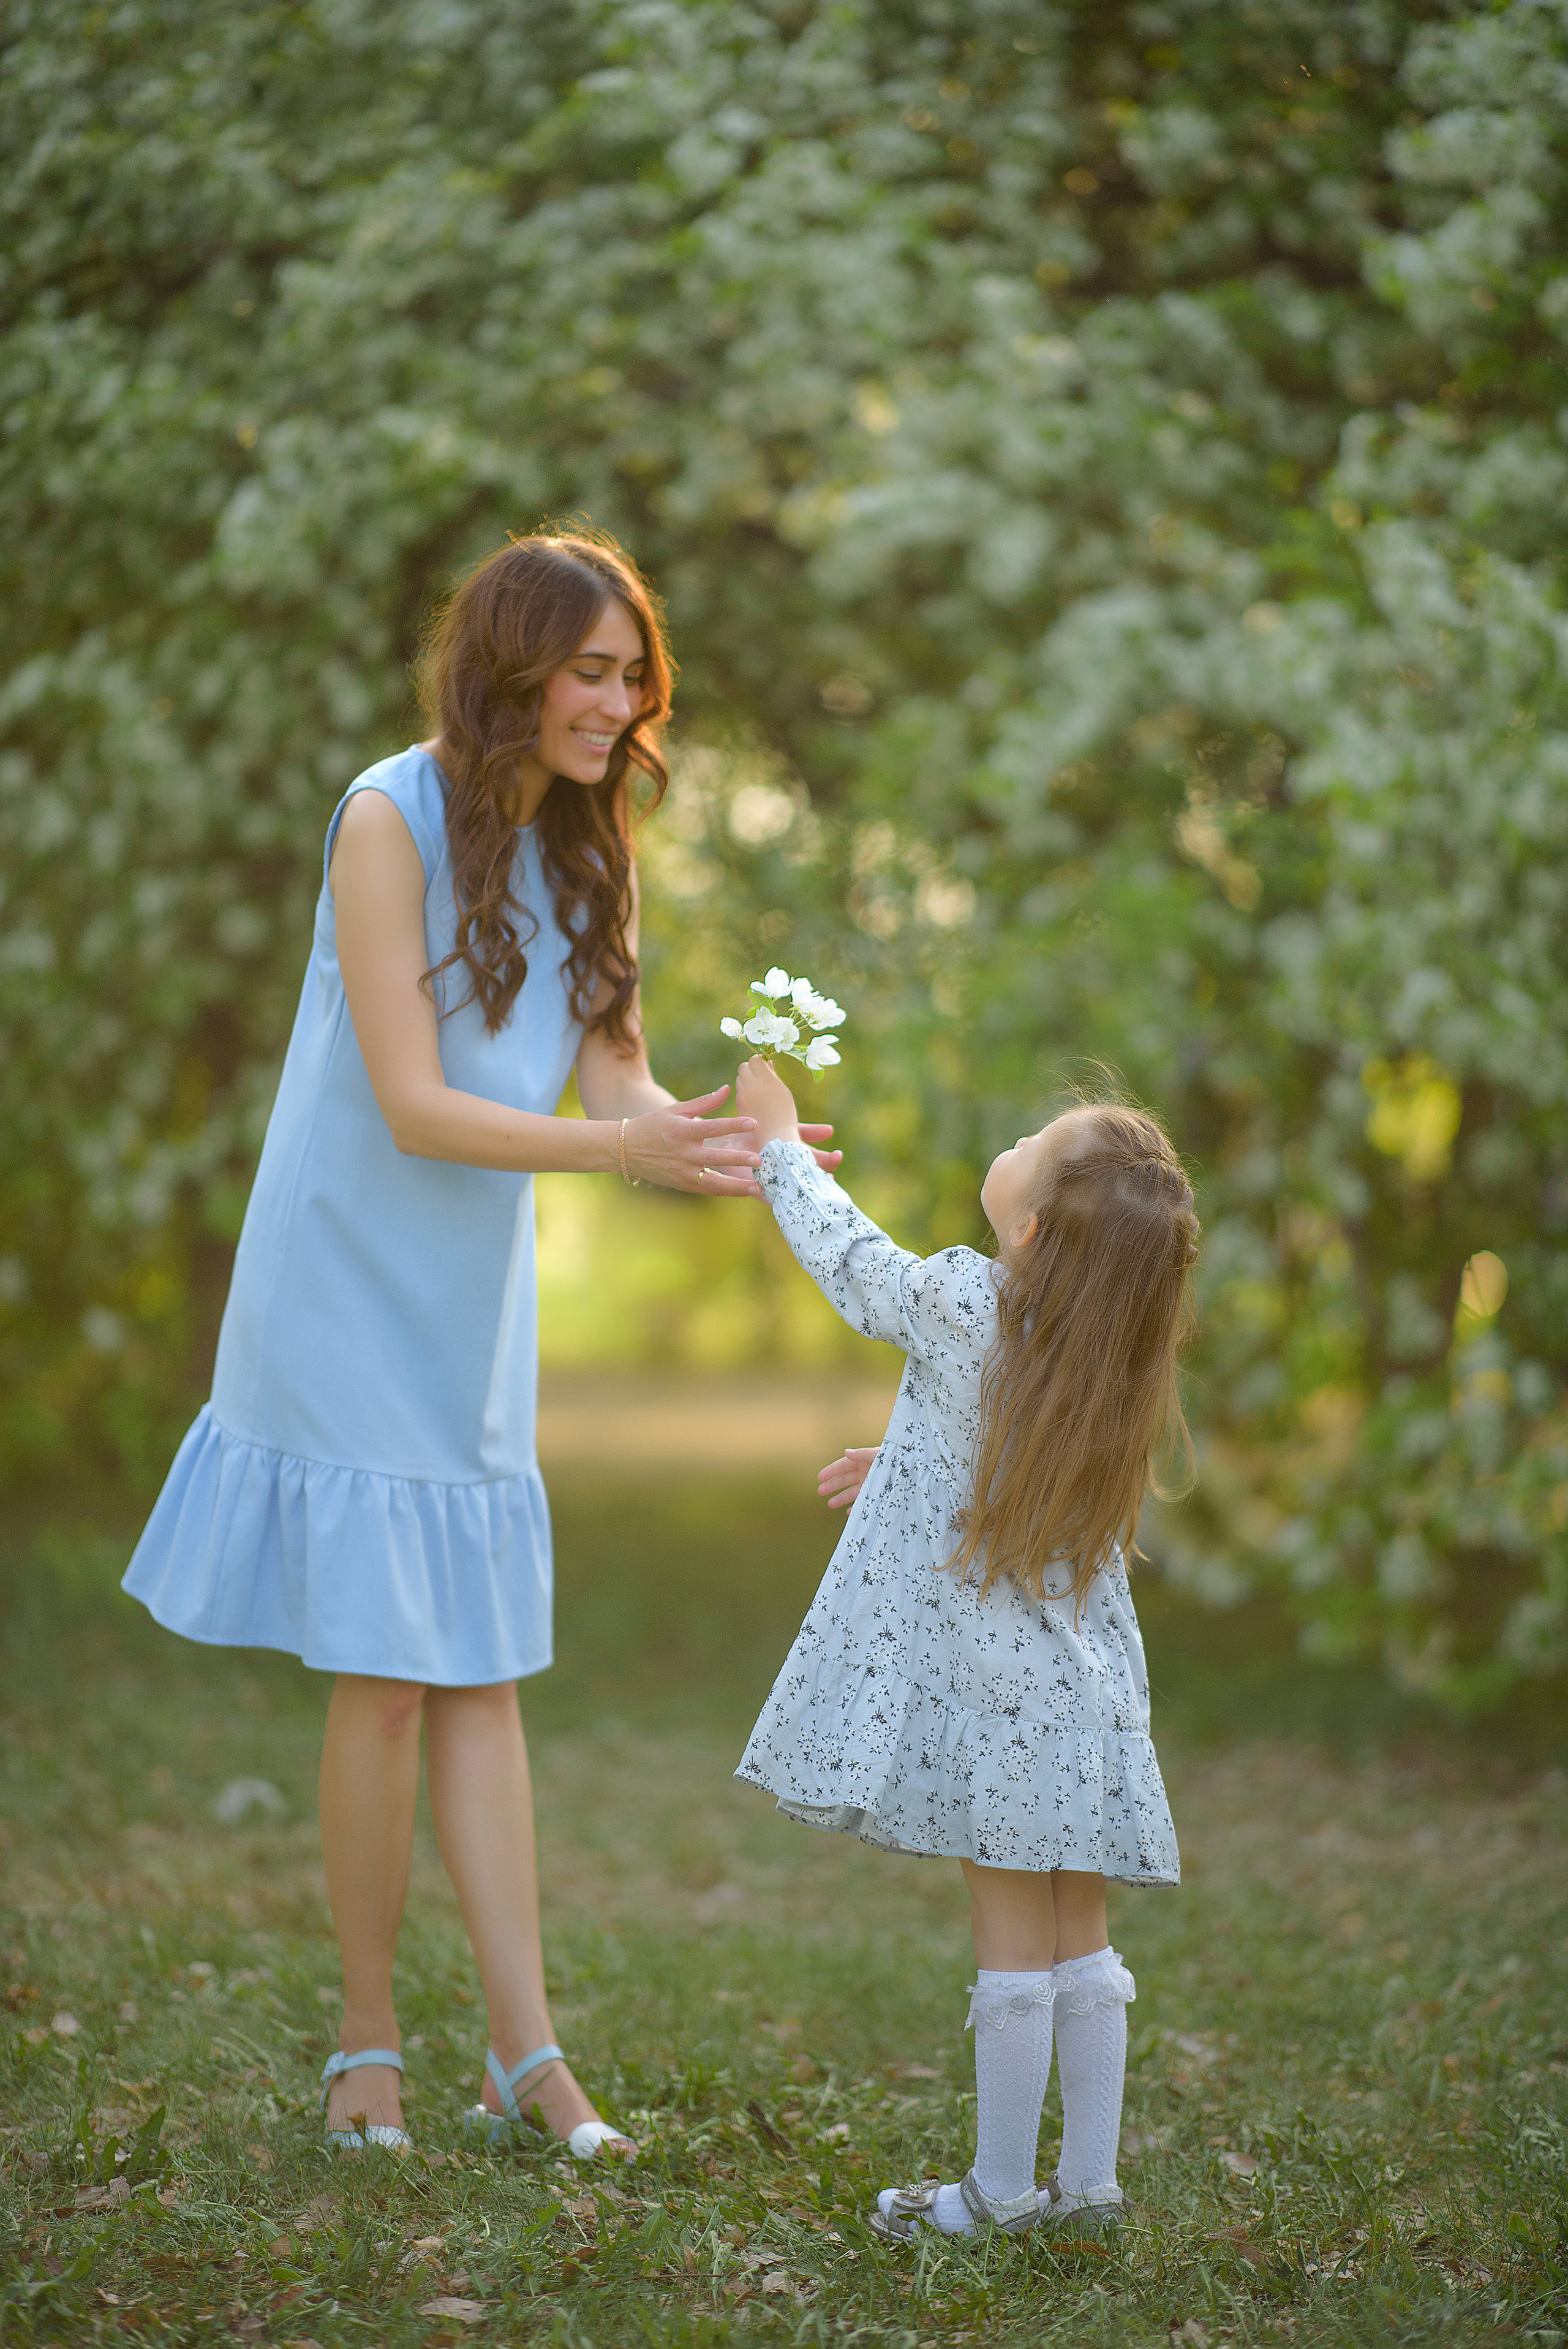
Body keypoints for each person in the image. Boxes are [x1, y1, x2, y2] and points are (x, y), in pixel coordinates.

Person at [121, 529, 838, 2161]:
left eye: (632, 669)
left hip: (472, 1301)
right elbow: (416, 1103)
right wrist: (634, 1153)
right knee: (384, 1680)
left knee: (484, 1675)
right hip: (345, 1276)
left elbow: (616, 1097)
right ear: (511, 667)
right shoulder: (385, 819)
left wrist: (731, 1136)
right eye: (590, 668)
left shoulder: (596, 853)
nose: (622, 697)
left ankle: (529, 2059)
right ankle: (365, 2049)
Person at [731, 1054, 1196, 2236]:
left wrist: (778, 1144)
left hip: (999, 1710)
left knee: (1011, 1955)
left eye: (1035, 1137)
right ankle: (1088, 2190)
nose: (1018, 1137)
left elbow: (851, 1261)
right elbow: (1021, 1464)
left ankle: (995, 2191)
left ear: (1029, 1221)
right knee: (1082, 1945)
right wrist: (908, 1468)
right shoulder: (1109, 1357)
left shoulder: (964, 1302)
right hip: (1086, 1707)